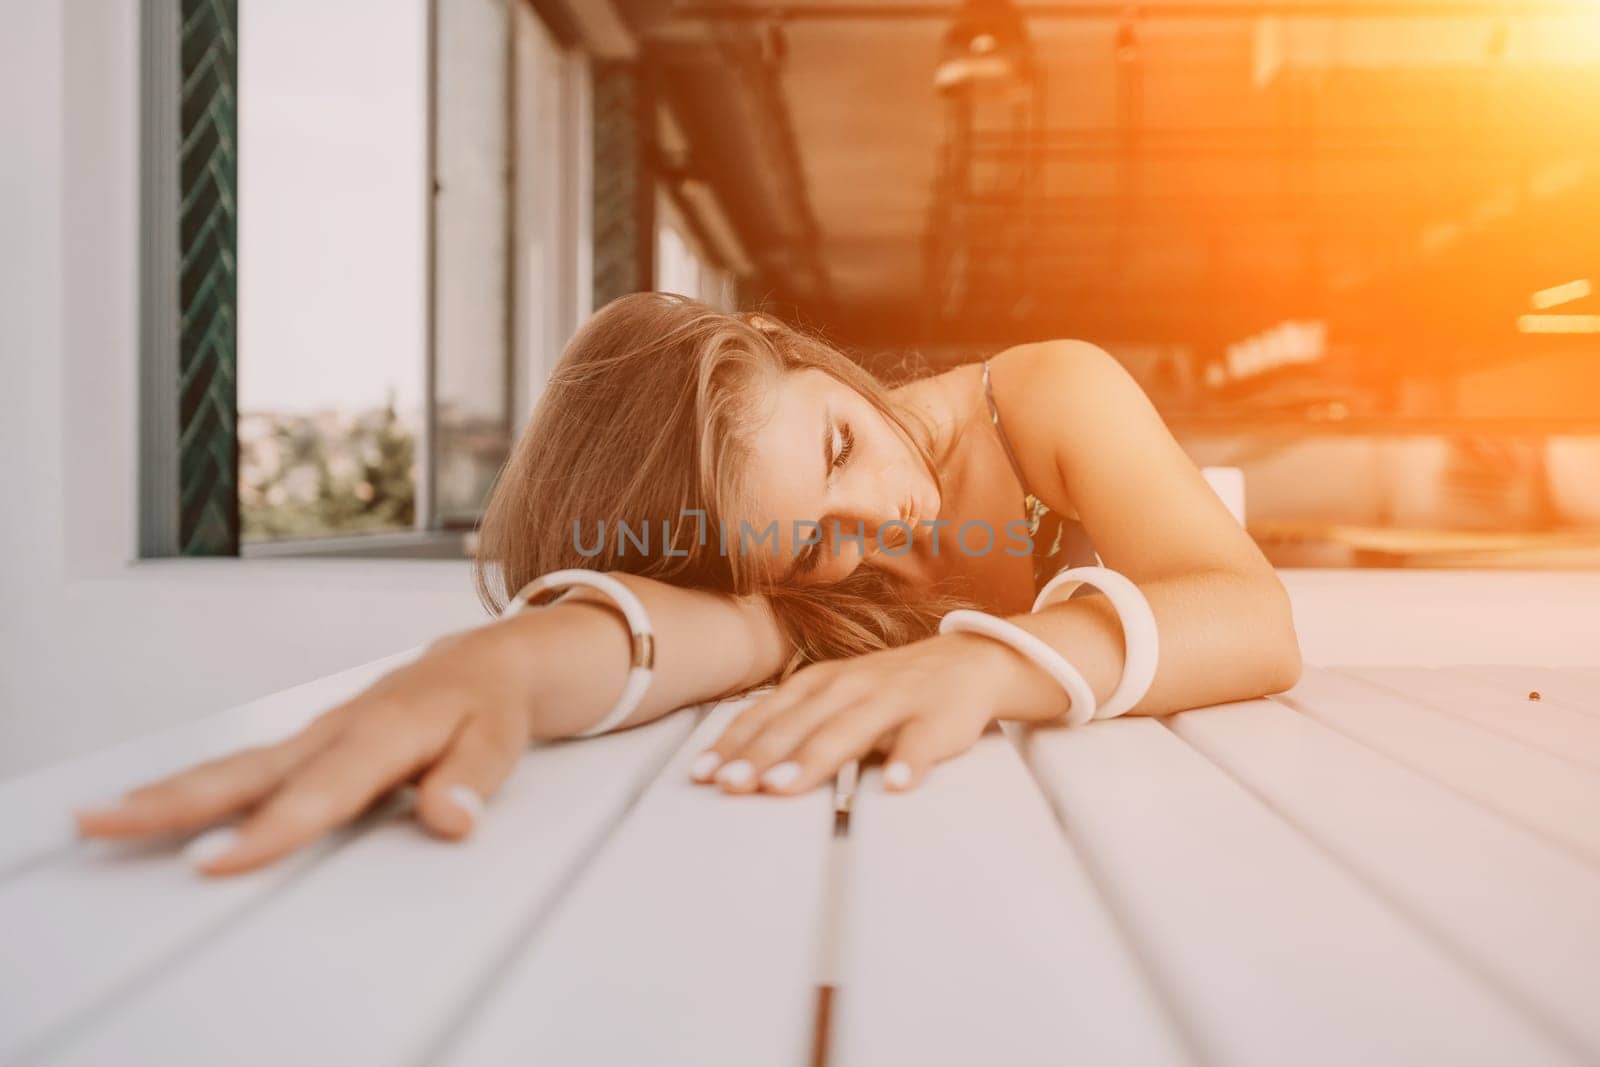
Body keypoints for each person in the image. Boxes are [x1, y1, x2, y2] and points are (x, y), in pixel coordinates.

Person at [74, 292, 1302, 876]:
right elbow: (660, 636)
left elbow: (1249, 617)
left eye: (836, 442)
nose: (880, 519)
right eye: (813, 539)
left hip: (1205, 848)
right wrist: (489, 664)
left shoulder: (1043, 395)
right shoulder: (816, 593)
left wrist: (988, 660)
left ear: (790, 345)